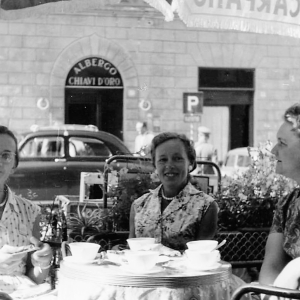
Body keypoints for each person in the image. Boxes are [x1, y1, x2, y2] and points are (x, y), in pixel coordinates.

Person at [129, 132, 219, 251]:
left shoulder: (206, 207)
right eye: (163, 160)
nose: (169, 165)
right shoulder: (139, 205)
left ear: (190, 162)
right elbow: (131, 252)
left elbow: (201, 258)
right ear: (154, 164)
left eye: (177, 159)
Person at [0, 126, 53, 296]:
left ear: (14, 164)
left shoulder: (29, 211)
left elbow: (33, 277)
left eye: (6, 156)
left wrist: (43, 263)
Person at [259, 103, 300, 287]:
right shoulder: (287, 203)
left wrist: (295, 268)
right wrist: (269, 295)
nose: (273, 150)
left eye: (282, 143)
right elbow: (272, 266)